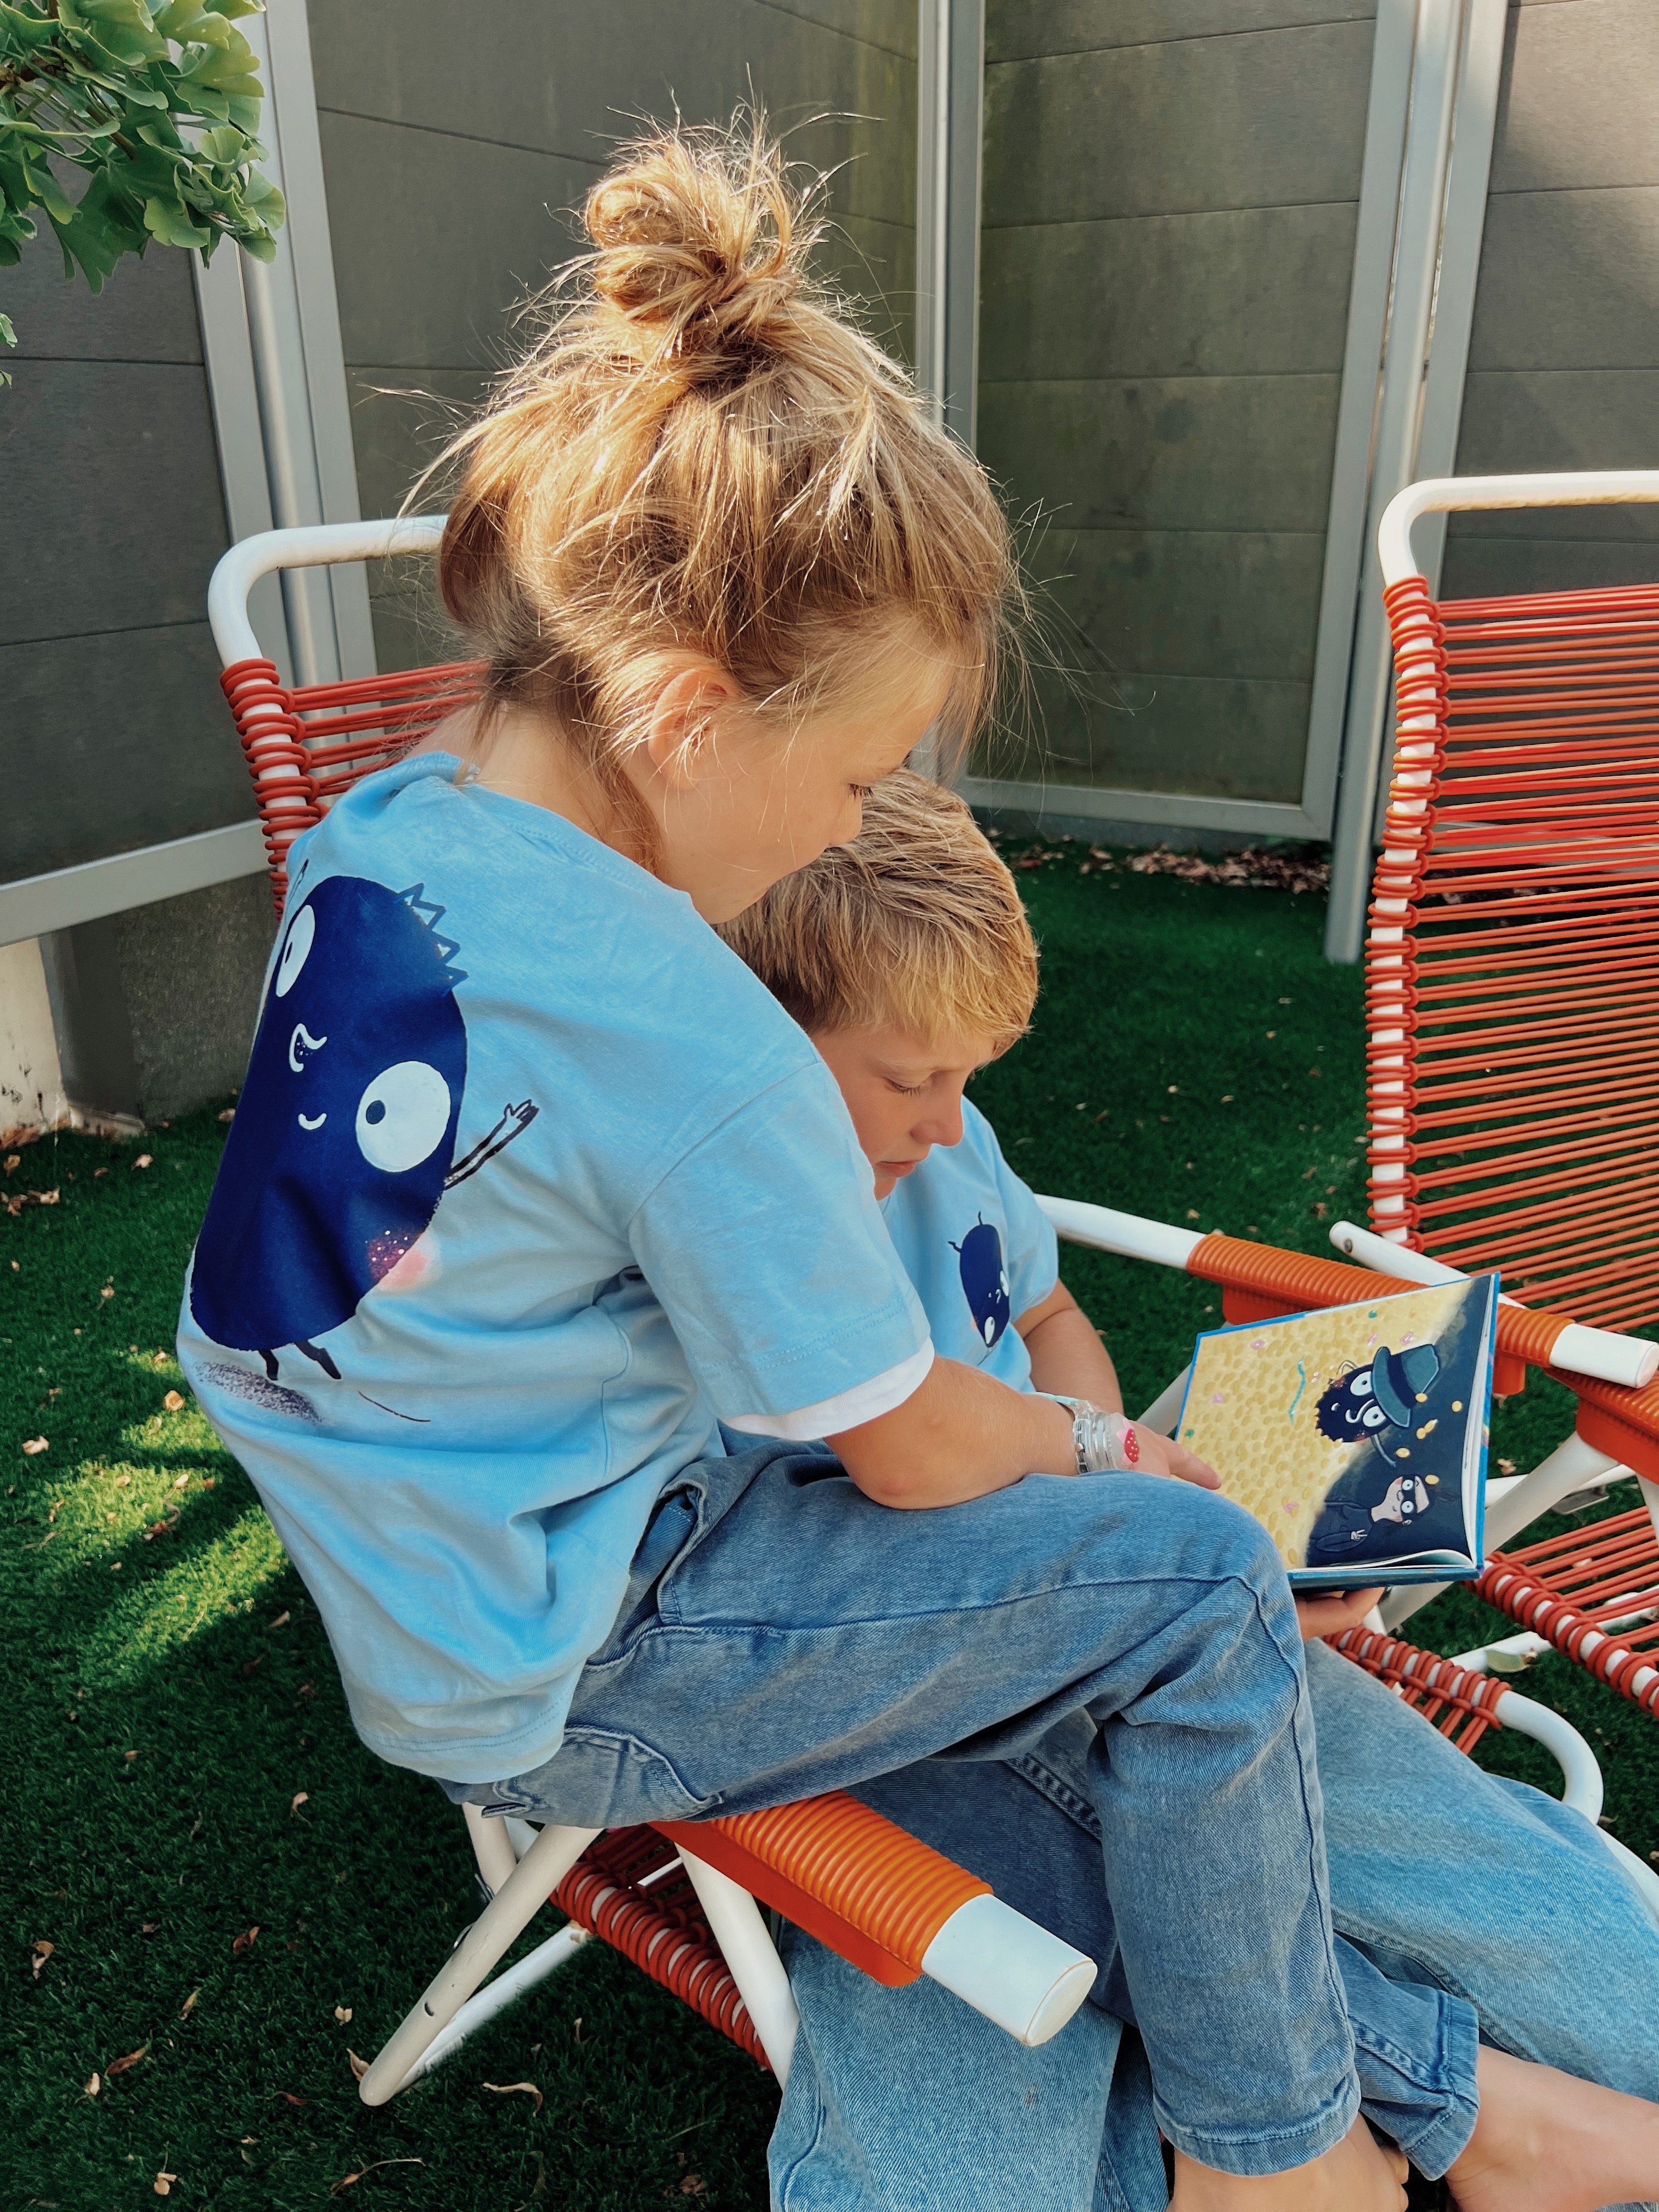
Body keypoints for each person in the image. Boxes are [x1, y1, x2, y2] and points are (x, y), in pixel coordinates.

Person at [171, 121, 1622, 2211]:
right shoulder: (708, 1044)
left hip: (447, 1582)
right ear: (677, 706)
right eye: (859, 774)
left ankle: (1443, 2108)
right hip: (605, 1643)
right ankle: (1280, 2159)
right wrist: (1105, 1458)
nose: (855, 825)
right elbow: (925, 1460)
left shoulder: (391, 836)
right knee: (1204, 1579)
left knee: (1096, 1691)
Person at [718, 772, 1659, 2212]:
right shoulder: (701, 1235)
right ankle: (1427, 2110)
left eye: (970, 1078)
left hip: (1151, 1628)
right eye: (912, 1079)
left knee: (1590, 1974)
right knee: (975, 2165)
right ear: (754, 1042)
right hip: (898, 1715)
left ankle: (1384, 2114)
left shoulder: (948, 1145)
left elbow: (1045, 1323)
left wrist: (1109, 1455)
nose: (946, 1122)